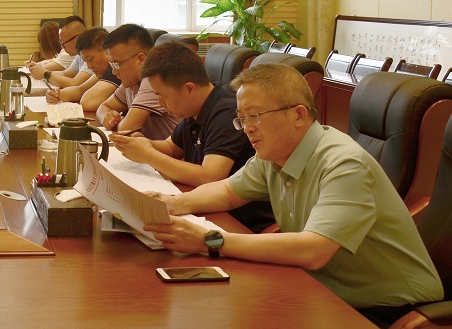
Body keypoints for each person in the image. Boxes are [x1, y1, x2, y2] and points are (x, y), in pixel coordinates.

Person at [144, 63, 443, 327]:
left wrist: (209, 241)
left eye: (254, 116)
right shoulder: (273, 154)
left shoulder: (344, 164)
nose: (246, 129)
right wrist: (173, 204)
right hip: (322, 287)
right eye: (242, 119)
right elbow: (227, 191)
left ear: (299, 114)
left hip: (390, 308)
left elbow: (313, 250)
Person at [115, 41, 274, 233]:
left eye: (163, 96)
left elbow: (210, 177)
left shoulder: (227, 111)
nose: (160, 103)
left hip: (239, 222)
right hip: (209, 207)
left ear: (189, 89)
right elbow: (171, 148)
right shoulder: (194, 109)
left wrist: (148, 155)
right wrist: (142, 144)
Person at [95, 24, 179, 140]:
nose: (114, 71)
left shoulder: (153, 80)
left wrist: (119, 123)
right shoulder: (131, 82)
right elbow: (103, 107)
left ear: (141, 59)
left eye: (117, 64)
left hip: (173, 151)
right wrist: (108, 119)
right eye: (112, 64)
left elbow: (126, 129)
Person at [44, 27, 116, 113]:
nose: (89, 66)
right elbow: (80, 90)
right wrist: (56, 94)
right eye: (85, 61)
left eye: (91, 59)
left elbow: (87, 102)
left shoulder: (115, 69)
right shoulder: (103, 71)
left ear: (107, 50)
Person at [27, 16, 92, 89]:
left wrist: (45, 74)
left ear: (77, 39)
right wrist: (44, 73)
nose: (62, 47)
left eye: (63, 42)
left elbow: (75, 83)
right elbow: (66, 74)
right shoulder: (79, 55)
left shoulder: (91, 56)